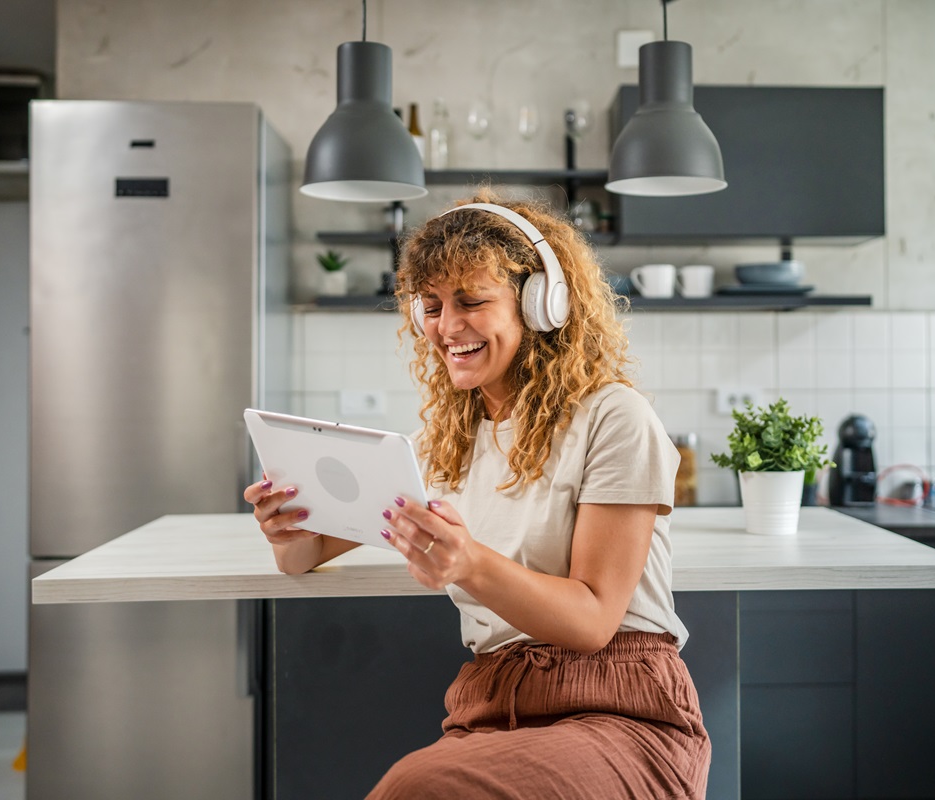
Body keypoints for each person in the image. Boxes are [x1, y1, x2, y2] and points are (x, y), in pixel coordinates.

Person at [244, 192, 711, 798]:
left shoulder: (614, 418)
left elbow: (594, 620)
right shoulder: (442, 445)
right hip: (493, 705)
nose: (447, 326)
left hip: (620, 707)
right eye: (432, 306)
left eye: (472, 301)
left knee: (416, 787)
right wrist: (287, 527)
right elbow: (302, 556)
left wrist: (469, 563)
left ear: (541, 306)